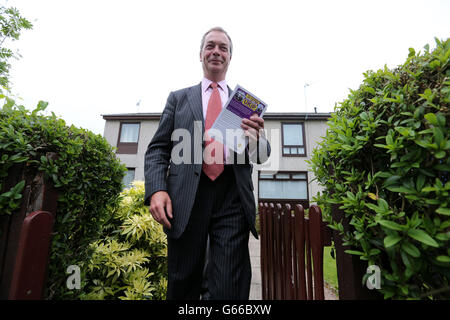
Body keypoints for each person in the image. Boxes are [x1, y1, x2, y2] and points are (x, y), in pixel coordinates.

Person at [144, 27, 271, 300]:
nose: (216, 51)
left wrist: (256, 138)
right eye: (210, 46)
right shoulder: (178, 98)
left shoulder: (244, 103)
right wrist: (157, 189)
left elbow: (261, 155)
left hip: (232, 196)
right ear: (200, 54)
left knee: (229, 283)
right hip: (187, 196)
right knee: (183, 279)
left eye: (223, 48)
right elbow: (157, 149)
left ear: (229, 57)